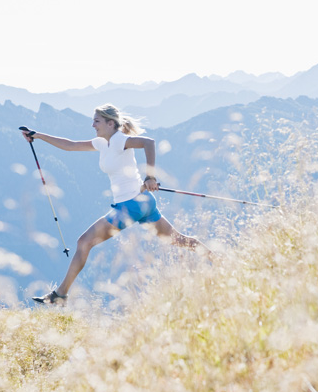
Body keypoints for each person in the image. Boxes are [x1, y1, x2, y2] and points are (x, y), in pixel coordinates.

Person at [22, 103, 212, 305]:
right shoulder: (102, 143)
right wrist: (38, 135)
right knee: (178, 239)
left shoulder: (120, 140)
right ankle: (219, 260)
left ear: (110, 123)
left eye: (97, 120)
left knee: (83, 242)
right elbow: (70, 145)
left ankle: (60, 295)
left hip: (130, 205)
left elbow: (149, 142)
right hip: (144, 203)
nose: (93, 124)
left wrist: (150, 176)